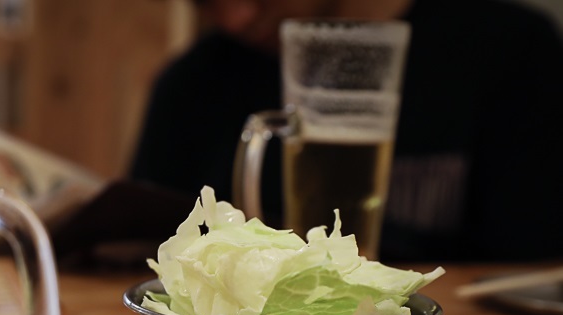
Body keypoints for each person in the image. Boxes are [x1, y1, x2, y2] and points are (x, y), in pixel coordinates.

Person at [120, 0, 563, 263]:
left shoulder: (513, 50)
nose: (237, 18)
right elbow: (151, 244)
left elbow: (534, 263)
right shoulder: (192, 82)